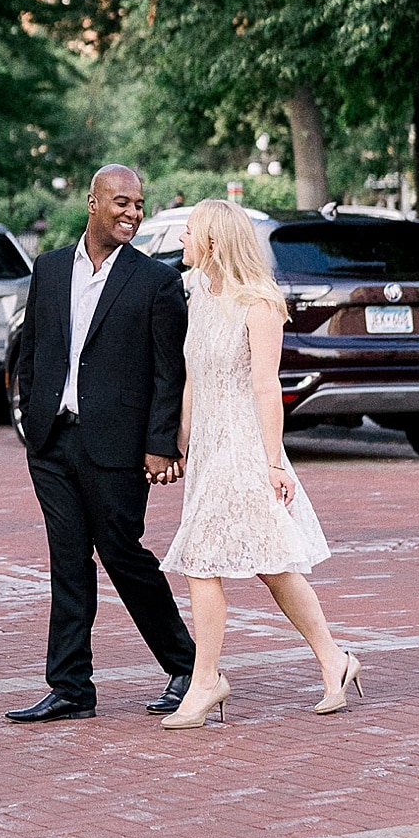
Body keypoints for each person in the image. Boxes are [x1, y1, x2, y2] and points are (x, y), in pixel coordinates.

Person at [159, 197, 363, 729]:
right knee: (271, 567)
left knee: (205, 559)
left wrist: (273, 463)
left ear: (213, 240)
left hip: (247, 448)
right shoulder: (199, 293)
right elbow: (191, 377)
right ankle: (334, 660)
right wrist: (181, 439)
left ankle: (206, 683)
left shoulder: (261, 303)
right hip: (207, 448)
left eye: (189, 232)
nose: (181, 240)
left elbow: (265, 386)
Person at [5, 165, 196, 722]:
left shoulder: (155, 281)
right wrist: (29, 415)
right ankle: (70, 688)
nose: (133, 213)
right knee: (67, 560)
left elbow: (170, 373)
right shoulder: (49, 268)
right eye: (121, 202)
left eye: (138, 204)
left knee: (121, 554)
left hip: (117, 446)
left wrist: (160, 444)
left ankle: (189, 667)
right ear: (93, 203)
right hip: (51, 441)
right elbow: (35, 351)